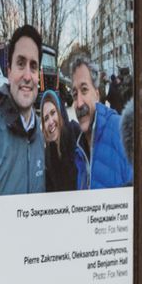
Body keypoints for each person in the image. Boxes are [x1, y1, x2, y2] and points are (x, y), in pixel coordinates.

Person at [0, 26, 48, 197]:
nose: (27, 76)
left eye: (33, 66)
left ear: (38, 77)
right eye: (20, 64)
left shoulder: (40, 139)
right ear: (9, 71)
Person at [67, 51, 132, 191]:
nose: (78, 103)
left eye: (84, 90)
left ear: (97, 95)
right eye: (74, 94)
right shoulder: (78, 149)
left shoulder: (120, 132)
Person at [39, 90, 77, 194]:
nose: (50, 122)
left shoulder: (76, 134)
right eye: (46, 118)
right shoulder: (47, 156)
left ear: (60, 112)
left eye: (53, 113)